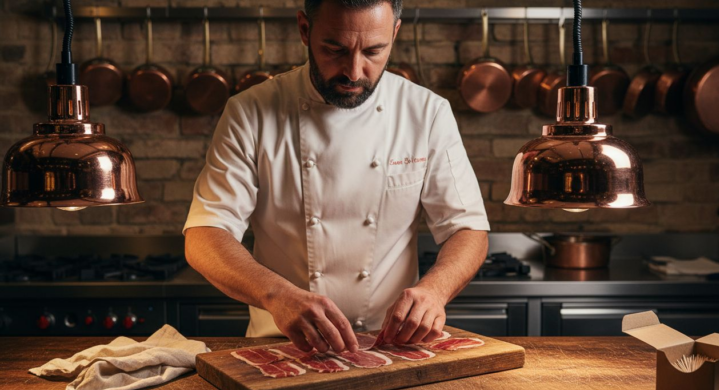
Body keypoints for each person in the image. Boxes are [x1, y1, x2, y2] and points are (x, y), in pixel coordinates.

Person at [183, 0, 489, 354]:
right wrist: (277, 295)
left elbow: (467, 228)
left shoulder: (426, 113)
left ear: (395, 33)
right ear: (305, 29)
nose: (354, 72)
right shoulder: (249, 113)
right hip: (283, 346)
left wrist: (435, 290)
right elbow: (205, 235)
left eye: (373, 51)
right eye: (335, 49)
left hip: (390, 347)